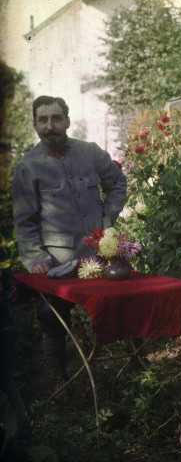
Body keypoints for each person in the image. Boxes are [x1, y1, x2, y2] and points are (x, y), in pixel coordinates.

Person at [12, 95, 127, 392]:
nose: (50, 126)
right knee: (51, 317)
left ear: (67, 120)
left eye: (56, 118)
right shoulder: (28, 166)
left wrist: (107, 218)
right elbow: (25, 222)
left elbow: (117, 183)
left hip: (99, 256)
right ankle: (59, 378)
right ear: (35, 124)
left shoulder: (89, 153)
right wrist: (37, 258)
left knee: (122, 303)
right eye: (43, 120)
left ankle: (132, 366)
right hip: (57, 264)